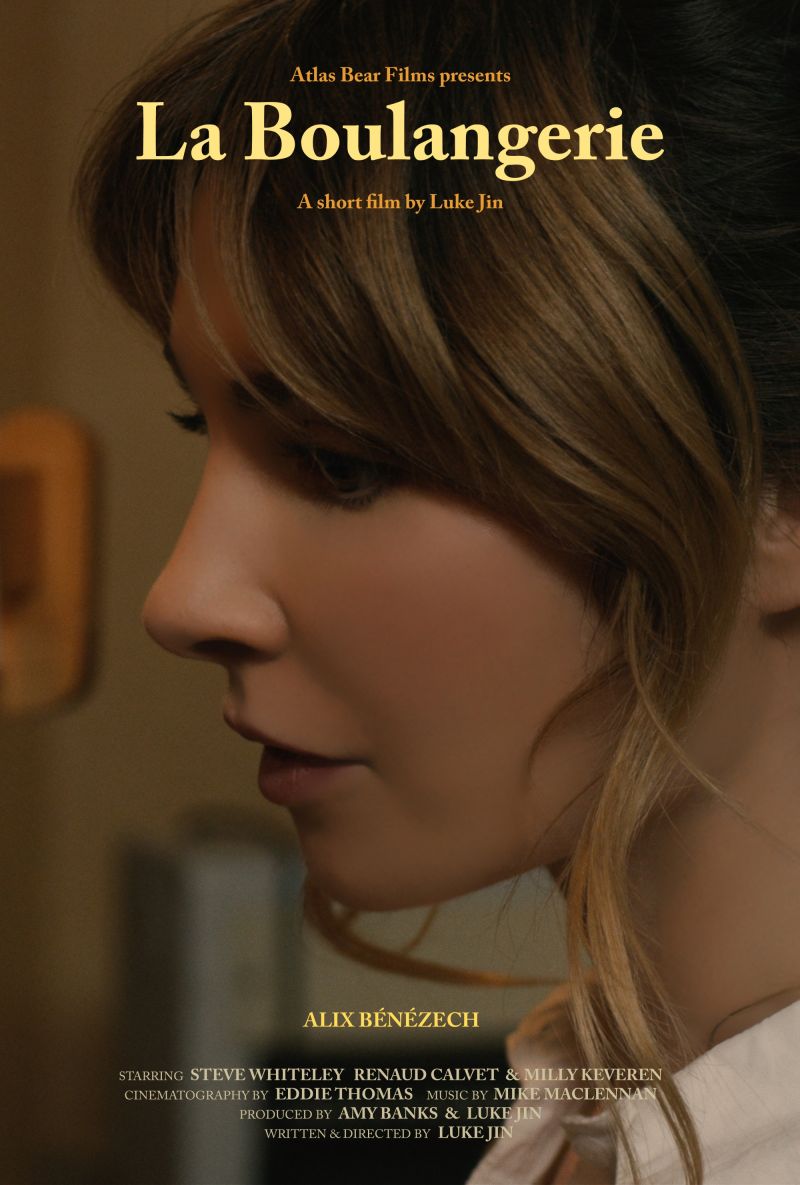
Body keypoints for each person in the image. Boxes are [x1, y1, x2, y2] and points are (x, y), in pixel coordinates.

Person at [77, 0, 800, 1181]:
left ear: (779, 494)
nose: (182, 598)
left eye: (341, 462)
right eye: (200, 424)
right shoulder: (591, 1106)